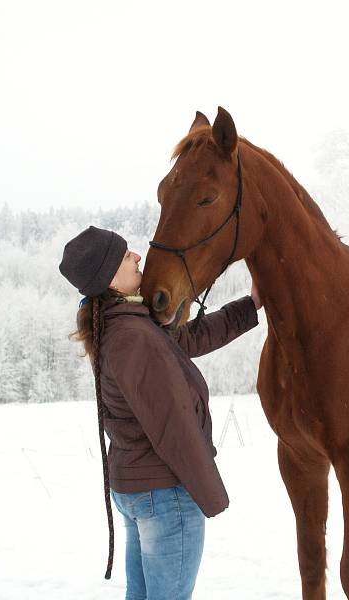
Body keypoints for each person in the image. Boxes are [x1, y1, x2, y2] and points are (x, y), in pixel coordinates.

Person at [59, 225, 260, 599]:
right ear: (109, 278)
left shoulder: (124, 324)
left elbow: (193, 337)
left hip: (140, 488)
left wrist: (251, 306)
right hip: (164, 492)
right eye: (124, 256)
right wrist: (209, 495)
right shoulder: (134, 337)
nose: (137, 256)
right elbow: (173, 425)